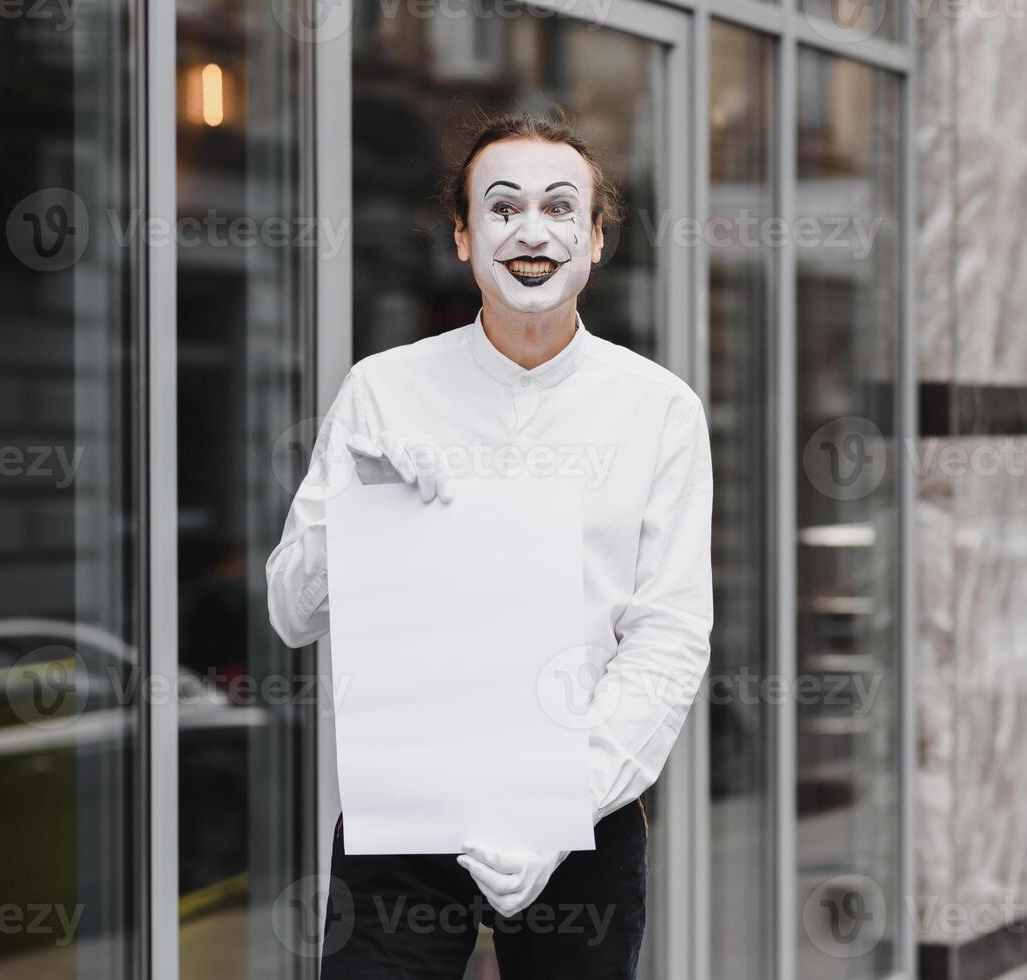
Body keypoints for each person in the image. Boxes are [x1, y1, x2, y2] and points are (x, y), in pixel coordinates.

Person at [265, 110, 714, 979]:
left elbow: (667, 633)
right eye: (502, 208)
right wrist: (353, 506)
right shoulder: (381, 391)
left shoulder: (657, 410)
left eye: (559, 208)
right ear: (465, 239)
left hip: (587, 813)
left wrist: (567, 802)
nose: (531, 230)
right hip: (404, 805)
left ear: (594, 240)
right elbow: (291, 612)